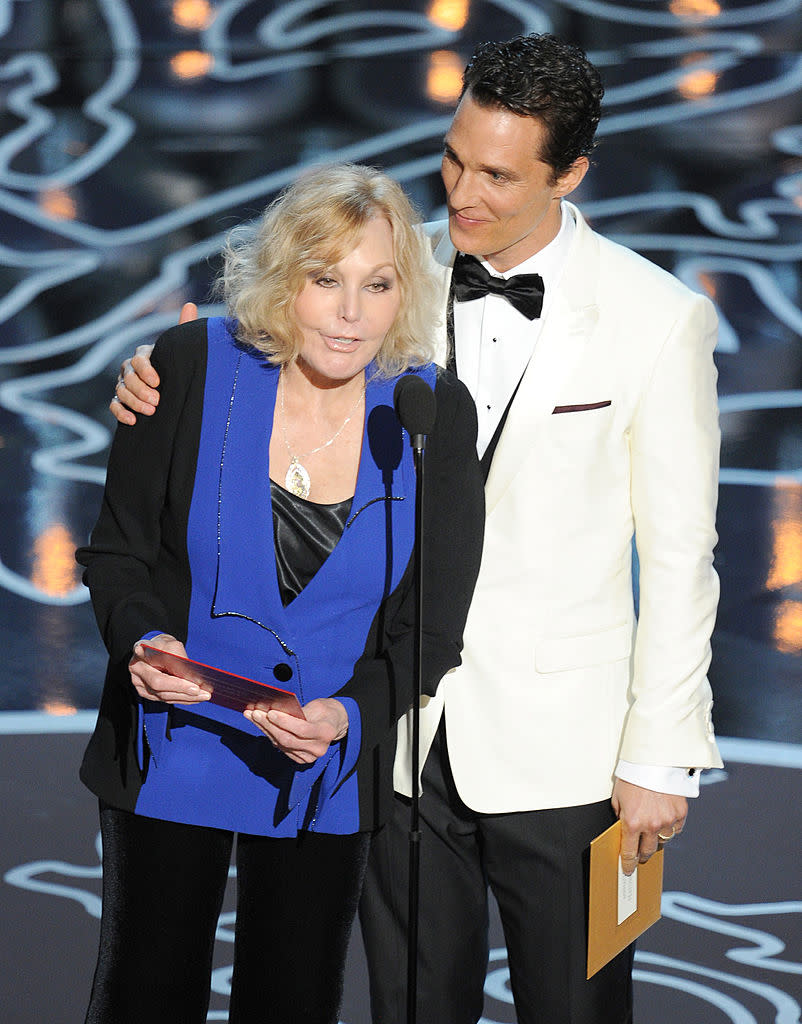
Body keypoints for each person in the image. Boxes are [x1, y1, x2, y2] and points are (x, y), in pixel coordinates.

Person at [110, 33, 723, 1024]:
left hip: (565, 752)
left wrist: (659, 754)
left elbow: (683, 552)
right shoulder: (390, 281)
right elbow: (260, 356)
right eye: (450, 157)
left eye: (495, 175)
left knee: (579, 1008)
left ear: (569, 173)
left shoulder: (657, 318)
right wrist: (153, 372)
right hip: (393, 738)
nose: (460, 194)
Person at [78, 162, 484, 1024]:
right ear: (280, 279)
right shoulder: (187, 366)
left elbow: (430, 630)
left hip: (324, 765)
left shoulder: (430, 413)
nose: (351, 312)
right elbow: (117, 557)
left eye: (377, 285)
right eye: (325, 280)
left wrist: (347, 718)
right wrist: (144, 642)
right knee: (145, 994)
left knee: (292, 1001)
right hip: (168, 743)